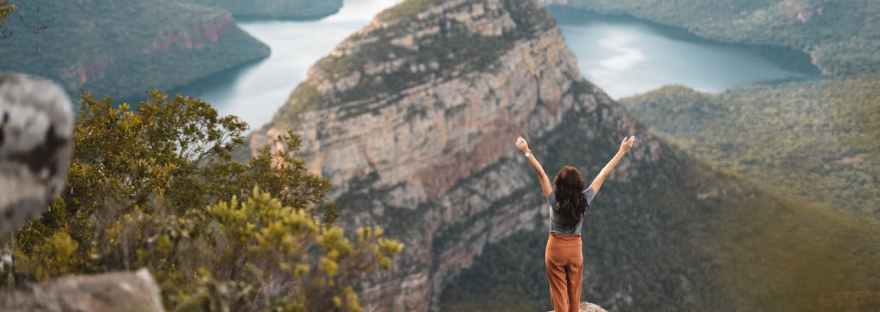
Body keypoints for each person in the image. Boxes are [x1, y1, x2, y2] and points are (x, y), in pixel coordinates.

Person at [515, 135, 637, 312]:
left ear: (559, 185)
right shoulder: (584, 199)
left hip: (555, 248)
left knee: (558, 291)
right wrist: (622, 151)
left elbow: (541, 174)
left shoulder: (554, 200)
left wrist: (526, 151)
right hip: (574, 250)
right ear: (579, 185)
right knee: (574, 292)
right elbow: (604, 173)